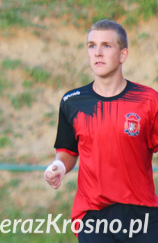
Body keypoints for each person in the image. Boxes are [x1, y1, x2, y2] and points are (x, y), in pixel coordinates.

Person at [45, 19, 158, 242]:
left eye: (106, 46)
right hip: (93, 215)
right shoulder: (72, 102)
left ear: (123, 55)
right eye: (91, 45)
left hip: (142, 213)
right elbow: (67, 151)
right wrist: (58, 166)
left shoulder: (148, 100)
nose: (97, 53)